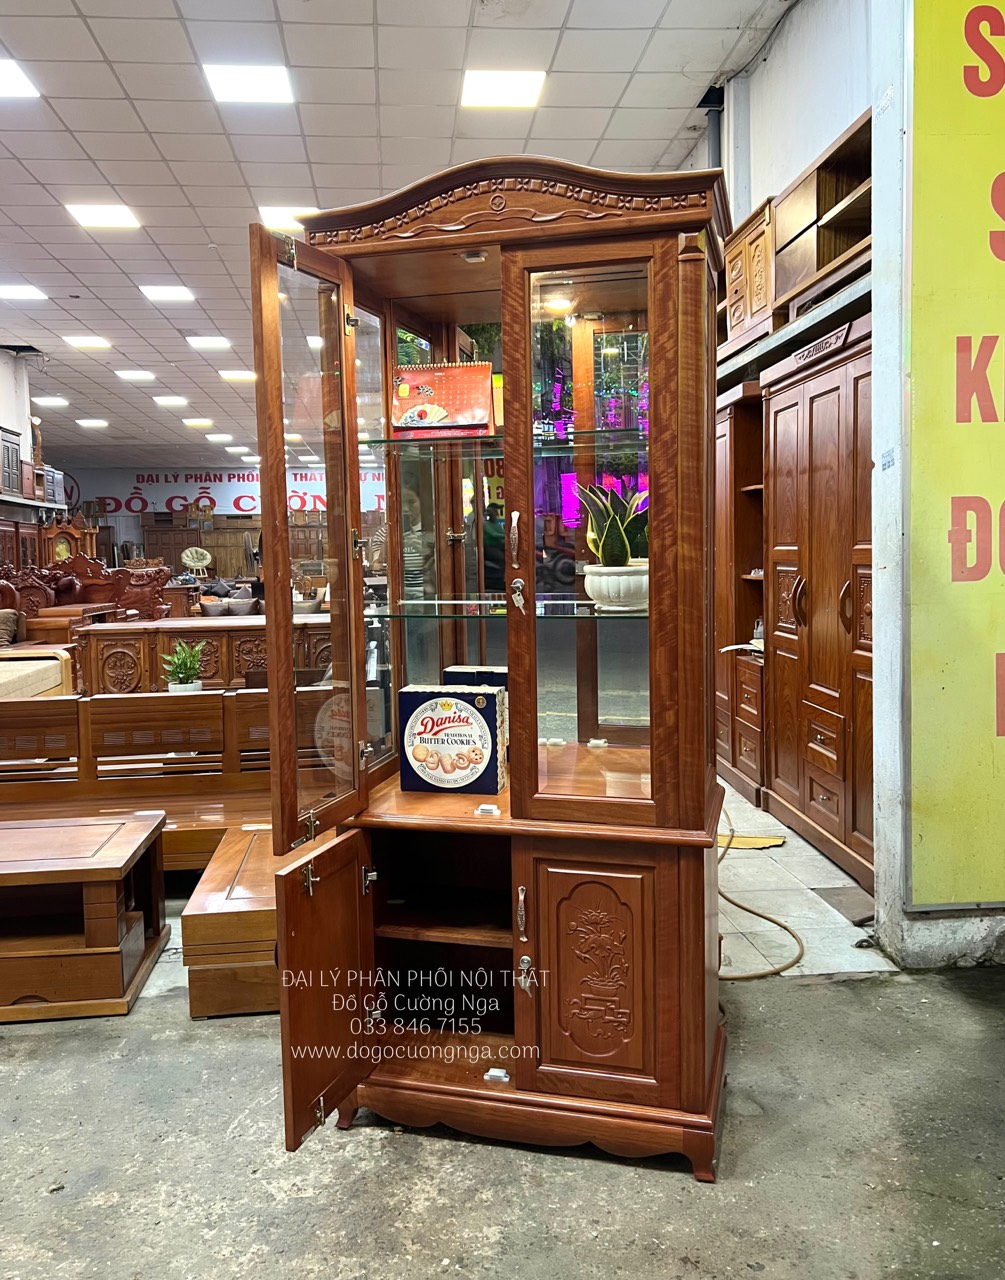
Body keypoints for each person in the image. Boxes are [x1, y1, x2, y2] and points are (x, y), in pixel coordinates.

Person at [483, 502, 506, 592]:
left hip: (499, 546)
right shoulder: (486, 524)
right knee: (502, 558)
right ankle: (502, 578)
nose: (497, 513)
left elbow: (502, 533)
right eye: (495, 511)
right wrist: (506, 536)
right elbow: (493, 534)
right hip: (490, 548)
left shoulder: (497, 524)